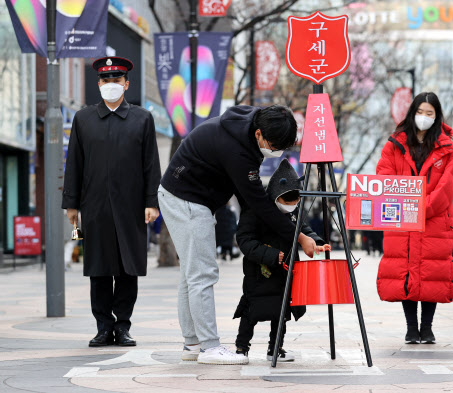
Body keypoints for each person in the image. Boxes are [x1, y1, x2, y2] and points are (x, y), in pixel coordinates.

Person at [158, 105, 318, 365]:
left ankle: (192, 343)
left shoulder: (248, 123)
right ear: (258, 134)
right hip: (186, 199)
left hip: (185, 196)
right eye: (274, 145)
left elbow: (249, 198)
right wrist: (299, 236)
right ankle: (209, 347)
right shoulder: (238, 151)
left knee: (191, 274)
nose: (276, 152)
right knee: (202, 273)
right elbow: (256, 201)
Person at [62, 56, 161, 347]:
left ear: (126, 84)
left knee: (128, 269)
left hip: (132, 207)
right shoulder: (83, 118)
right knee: (99, 269)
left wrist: (151, 201)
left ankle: (123, 326)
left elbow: (150, 164)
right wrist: (72, 204)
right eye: (106, 80)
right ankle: (103, 327)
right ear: (98, 84)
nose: (111, 85)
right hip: (95, 207)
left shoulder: (142, 118)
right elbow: (74, 164)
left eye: (117, 80)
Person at [376, 92, 453, 344]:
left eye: (429, 113)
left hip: (434, 219)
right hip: (402, 218)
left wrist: (422, 208)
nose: (423, 118)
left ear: (437, 116)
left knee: (431, 271)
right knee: (406, 271)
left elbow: (447, 186)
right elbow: (384, 178)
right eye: (420, 112)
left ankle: (428, 327)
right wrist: (408, 207)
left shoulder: (448, 148)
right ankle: (412, 328)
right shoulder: (394, 144)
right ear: (412, 113)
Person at [233, 159, 329, 362]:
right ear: (275, 196)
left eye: (295, 201)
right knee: (251, 310)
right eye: (287, 201)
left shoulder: (295, 212)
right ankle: (242, 347)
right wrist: (268, 255)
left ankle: (275, 348)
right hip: (259, 272)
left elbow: (304, 230)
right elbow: (245, 240)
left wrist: (317, 243)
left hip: (286, 271)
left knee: (281, 311)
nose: (292, 206)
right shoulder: (255, 211)